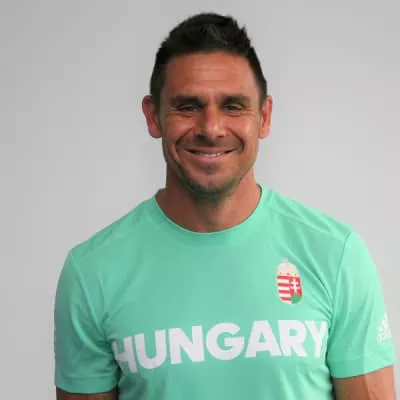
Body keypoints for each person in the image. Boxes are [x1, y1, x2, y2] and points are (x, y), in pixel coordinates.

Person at [54, 12, 396, 400]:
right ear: (153, 117)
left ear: (264, 117)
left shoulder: (335, 255)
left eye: (233, 106)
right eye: (188, 106)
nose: (211, 128)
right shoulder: (93, 272)